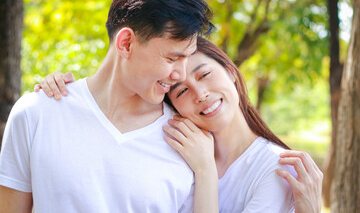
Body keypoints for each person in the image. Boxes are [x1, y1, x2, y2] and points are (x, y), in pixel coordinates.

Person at [0, 0, 214, 212]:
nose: (180, 75)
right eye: (172, 58)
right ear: (126, 44)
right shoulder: (36, 113)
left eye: (187, 58)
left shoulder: (188, 142)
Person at [36, 37, 323, 213]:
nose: (200, 94)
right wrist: (71, 92)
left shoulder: (277, 168)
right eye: (181, 91)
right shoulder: (173, 147)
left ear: (232, 72)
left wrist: (205, 170)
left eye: (204, 74)